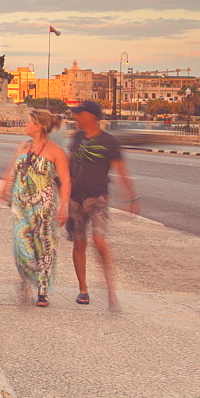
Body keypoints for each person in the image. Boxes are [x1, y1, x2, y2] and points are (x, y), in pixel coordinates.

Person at [0, 109, 71, 307]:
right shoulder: (22, 147)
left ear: (39, 126)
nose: (25, 125)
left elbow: (66, 181)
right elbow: (10, 174)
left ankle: (42, 290)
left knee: (44, 248)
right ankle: (26, 279)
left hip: (45, 208)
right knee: (20, 247)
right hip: (20, 207)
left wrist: (64, 207)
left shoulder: (56, 151)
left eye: (28, 122)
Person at [67, 100, 140, 310]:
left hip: (97, 199)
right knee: (79, 243)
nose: (76, 117)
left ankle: (111, 291)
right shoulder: (77, 137)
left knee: (99, 242)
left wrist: (132, 198)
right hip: (75, 198)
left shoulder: (110, 142)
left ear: (91, 116)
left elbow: (122, 170)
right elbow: (69, 162)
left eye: (79, 114)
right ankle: (83, 289)